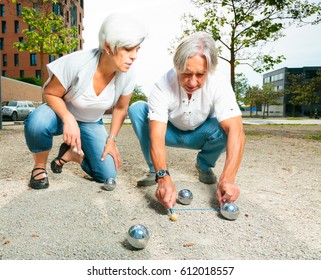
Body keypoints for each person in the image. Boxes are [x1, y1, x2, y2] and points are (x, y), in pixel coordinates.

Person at [24, 13, 147, 190]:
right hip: (60, 114)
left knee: (107, 175)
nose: (134, 56)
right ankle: (39, 167)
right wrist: (68, 118)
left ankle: (73, 155)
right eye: (128, 49)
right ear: (108, 46)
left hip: (91, 122)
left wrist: (111, 140)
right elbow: (50, 93)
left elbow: (121, 108)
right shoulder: (77, 63)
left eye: (137, 49)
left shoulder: (128, 73)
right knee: (38, 123)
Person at [128, 32, 245, 210]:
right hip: (170, 132)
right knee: (137, 109)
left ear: (209, 70)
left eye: (200, 74)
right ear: (177, 67)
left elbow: (237, 132)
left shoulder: (219, 82)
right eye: (186, 73)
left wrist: (228, 178)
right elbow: (157, 135)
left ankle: (204, 166)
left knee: (227, 126)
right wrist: (163, 176)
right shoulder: (162, 85)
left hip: (202, 134)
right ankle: (155, 170)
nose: (192, 82)